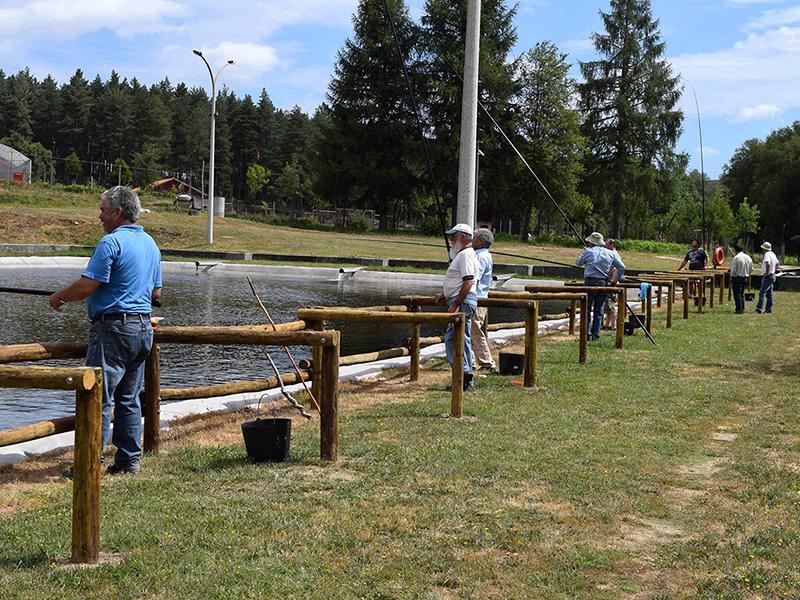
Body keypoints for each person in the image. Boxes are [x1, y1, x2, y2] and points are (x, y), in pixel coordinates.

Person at [50, 186, 162, 476]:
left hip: (113, 329)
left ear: (117, 212)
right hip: (142, 330)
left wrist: (59, 297)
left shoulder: (110, 243)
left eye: (102, 210)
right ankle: (128, 462)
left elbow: (87, 286)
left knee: (98, 397)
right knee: (128, 398)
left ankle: (90, 464)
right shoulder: (151, 244)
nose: (100, 216)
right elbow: (156, 293)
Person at [435, 223, 479, 391]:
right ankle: (466, 379)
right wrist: (445, 295)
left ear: (462, 237)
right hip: (465, 300)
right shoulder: (465, 255)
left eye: (454, 235)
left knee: (453, 339)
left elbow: (468, 281)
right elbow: (461, 281)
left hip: (463, 301)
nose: (451, 239)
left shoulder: (465, 255)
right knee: (462, 339)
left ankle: (463, 374)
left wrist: (456, 303)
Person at [575, 232, 625, 341]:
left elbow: (578, 263)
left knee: (587, 309)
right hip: (603, 283)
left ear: (591, 242)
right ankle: (596, 335)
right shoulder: (610, 253)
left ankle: (587, 334)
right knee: (599, 310)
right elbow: (622, 267)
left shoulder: (588, 251)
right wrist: (613, 280)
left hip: (589, 283)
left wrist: (585, 253)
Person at [470, 228, 497, 372]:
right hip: (478, 299)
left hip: (477, 300)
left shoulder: (480, 257)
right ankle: (471, 361)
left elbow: (474, 278)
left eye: (473, 238)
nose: (471, 240)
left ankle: (486, 361)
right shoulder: (483, 255)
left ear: (480, 242)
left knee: (474, 330)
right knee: (470, 331)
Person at [754, 241, 779, 314]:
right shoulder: (773, 254)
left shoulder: (767, 254)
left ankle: (759, 309)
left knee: (762, 293)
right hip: (772, 275)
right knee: (769, 294)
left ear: (764, 249)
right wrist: (774, 270)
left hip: (768, 276)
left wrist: (767, 273)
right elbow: (778, 264)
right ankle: (768, 309)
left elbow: (768, 264)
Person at [729, 242, 753, 314]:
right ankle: (742, 307)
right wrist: (747, 273)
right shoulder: (748, 257)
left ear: (735, 250)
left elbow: (733, 270)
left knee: (737, 294)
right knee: (742, 294)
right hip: (745, 277)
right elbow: (751, 268)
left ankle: (739, 309)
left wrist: (731, 276)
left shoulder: (736, 258)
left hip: (737, 278)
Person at [602, 238, 620, 331]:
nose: (604, 246)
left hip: (611, 282)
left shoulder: (613, 254)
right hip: (612, 281)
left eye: (606, 244)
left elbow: (612, 269)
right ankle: (607, 324)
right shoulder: (614, 254)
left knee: (610, 304)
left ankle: (613, 326)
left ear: (612, 245)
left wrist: (607, 279)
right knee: (608, 304)